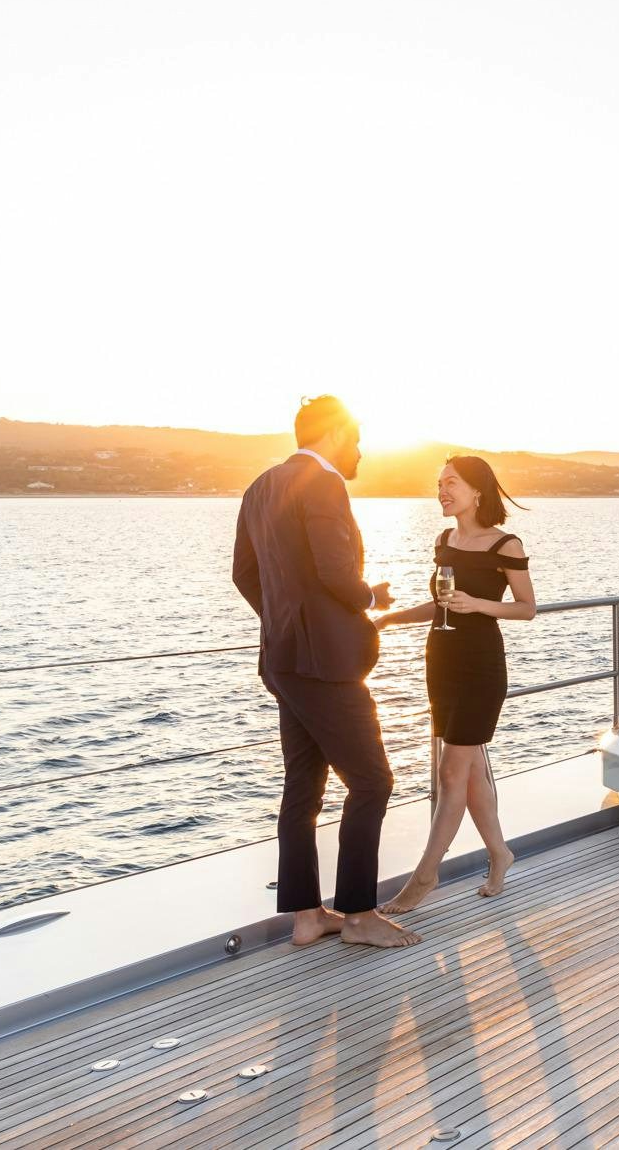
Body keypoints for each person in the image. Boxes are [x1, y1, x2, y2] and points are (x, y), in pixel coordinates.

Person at [231, 395, 421, 949]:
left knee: (304, 786)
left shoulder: (260, 487)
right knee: (372, 781)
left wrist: (285, 619)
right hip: (326, 664)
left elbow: (244, 574)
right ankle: (359, 915)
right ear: (336, 434)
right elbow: (337, 573)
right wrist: (370, 594)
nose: (360, 451)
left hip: (283, 660)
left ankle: (307, 916)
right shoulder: (323, 483)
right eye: (357, 438)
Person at [376, 455, 535, 910]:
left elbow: (526, 607)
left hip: (480, 665)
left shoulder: (505, 544)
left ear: (477, 490)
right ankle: (500, 854)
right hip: (440, 659)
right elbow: (440, 606)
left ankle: (425, 877)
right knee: (469, 771)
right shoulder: (444, 539)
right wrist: (389, 619)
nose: (442, 491)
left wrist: (478, 604)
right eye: (439, 483)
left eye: (451, 483)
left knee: (451, 770)